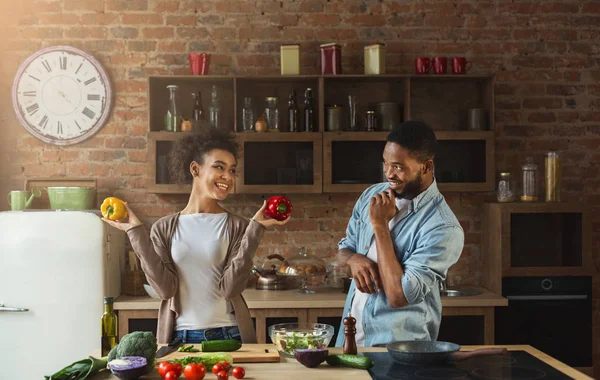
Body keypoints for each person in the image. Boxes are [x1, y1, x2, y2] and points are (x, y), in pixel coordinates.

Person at [102, 127, 289, 344]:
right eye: (219, 167)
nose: (227, 177)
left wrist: (255, 229)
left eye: (232, 170)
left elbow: (231, 289)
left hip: (230, 334)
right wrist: (135, 232)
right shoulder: (164, 228)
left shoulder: (238, 226)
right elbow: (165, 289)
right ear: (195, 169)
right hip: (179, 337)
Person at [334, 120, 464, 347]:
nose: (388, 174)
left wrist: (380, 226)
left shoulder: (442, 228)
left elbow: (398, 296)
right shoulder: (371, 195)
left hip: (401, 352)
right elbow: (344, 248)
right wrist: (354, 259)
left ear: (426, 166)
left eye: (398, 167)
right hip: (350, 343)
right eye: (385, 164)